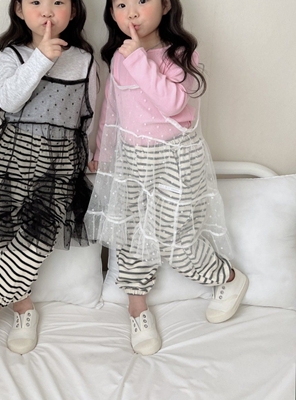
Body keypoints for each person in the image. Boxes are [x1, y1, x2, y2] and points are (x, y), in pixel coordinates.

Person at [85, 0, 248, 356]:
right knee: (130, 233)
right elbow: (112, 110)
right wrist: (102, 153)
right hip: (132, 158)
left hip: (176, 158)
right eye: (121, 4)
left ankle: (228, 277)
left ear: (165, 5)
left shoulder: (180, 53)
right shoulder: (119, 58)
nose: (131, 12)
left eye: (142, 1)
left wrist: (138, 59)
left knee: (175, 239)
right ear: (112, 13)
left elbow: (173, 102)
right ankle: (137, 307)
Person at [0, 0, 97, 355]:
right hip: (13, 157)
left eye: (58, 2)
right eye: (36, 2)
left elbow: (89, 114)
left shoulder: (84, 59)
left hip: (59, 162)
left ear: (73, 11)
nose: (47, 11)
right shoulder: (12, 54)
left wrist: (92, 154)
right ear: (19, 10)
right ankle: (23, 308)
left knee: (37, 238)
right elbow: (7, 101)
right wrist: (41, 59)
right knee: (9, 235)